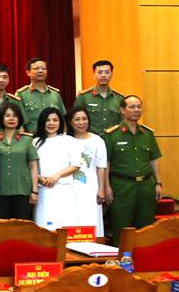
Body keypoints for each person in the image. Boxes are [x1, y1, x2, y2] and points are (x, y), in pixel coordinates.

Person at [104, 95, 162, 239]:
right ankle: (122, 259)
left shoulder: (147, 134)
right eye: (132, 107)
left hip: (146, 186)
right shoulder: (112, 135)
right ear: (122, 110)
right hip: (122, 186)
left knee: (146, 228)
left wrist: (158, 183)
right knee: (121, 227)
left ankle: (144, 260)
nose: (136, 110)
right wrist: (106, 186)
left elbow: (153, 160)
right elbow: (106, 163)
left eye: (139, 106)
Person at [32, 108, 81, 229]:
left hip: (64, 190)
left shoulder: (69, 141)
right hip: (43, 191)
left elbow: (76, 165)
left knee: (65, 228)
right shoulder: (34, 142)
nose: (51, 123)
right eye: (48, 120)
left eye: (55, 120)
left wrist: (57, 176)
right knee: (44, 228)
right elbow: (31, 166)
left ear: (60, 122)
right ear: (42, 122)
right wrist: (39, 178)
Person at [65, 107, 108, 237]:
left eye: (84, 119)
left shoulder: (97, 140)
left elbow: (101, 166)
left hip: (91, 187)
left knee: (91, 218)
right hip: (70, 187)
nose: (81, 122)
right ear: (71, 122)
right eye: (77, 119)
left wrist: (101, 189)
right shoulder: (65, 140)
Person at [0, 103, 39, 221]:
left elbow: (33, 166)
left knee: (22, 228)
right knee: (2, 229)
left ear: (20, 119)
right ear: (1, 118)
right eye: (7, 115)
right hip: (1, 191)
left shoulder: (27, 139)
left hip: (22, 190)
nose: (11, 119)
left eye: (15, 116)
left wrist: (34, 191)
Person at [74, 60, 124, 134]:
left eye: (107, 72)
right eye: (100, 72)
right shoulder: (83, 97)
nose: (103, 75)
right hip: (90, 141)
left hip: (113, 141)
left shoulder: (119, 98)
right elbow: (75, 120)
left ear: (111, 74)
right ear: (94, 74)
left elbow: (123, 122)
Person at [15, 58, 66, 130]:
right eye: (36, 68)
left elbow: (62, 120)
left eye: (43, 68)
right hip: (33, 139)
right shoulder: (21, 95)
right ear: (28, 72)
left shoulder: (55, 94)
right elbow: (19, 124)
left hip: (54, 138)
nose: (40, 71)